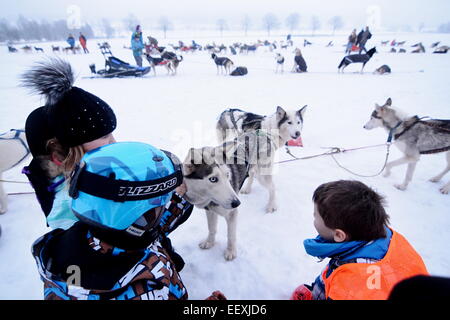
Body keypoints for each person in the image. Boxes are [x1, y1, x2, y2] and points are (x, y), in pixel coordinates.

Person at [31, 141, 190, 300]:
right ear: (138, 216)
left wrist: (180, 199)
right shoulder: (147, 292)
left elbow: (147, 224)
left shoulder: (87, 236)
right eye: (162, 201)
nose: (165, 204)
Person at [291, 180, 428, 300]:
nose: (313, 217)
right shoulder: (383, 235)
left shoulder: (351, 281)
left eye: (316, 215)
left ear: (339, 235)